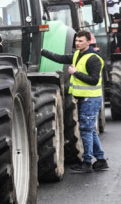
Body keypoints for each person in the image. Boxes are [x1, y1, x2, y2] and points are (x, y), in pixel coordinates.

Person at [42, 30, 109, 172]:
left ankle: (87, 162)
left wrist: (75, 73)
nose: (77, 43)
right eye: (76, 41)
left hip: (91, 99)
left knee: (86, 130)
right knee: (89, 130)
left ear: (88, 42)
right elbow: (60, 58)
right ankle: (101, 160)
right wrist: (41, 51)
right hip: (84, 98)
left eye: (80, 41)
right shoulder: (77, 55)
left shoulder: (94, 59)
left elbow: (94, 80)